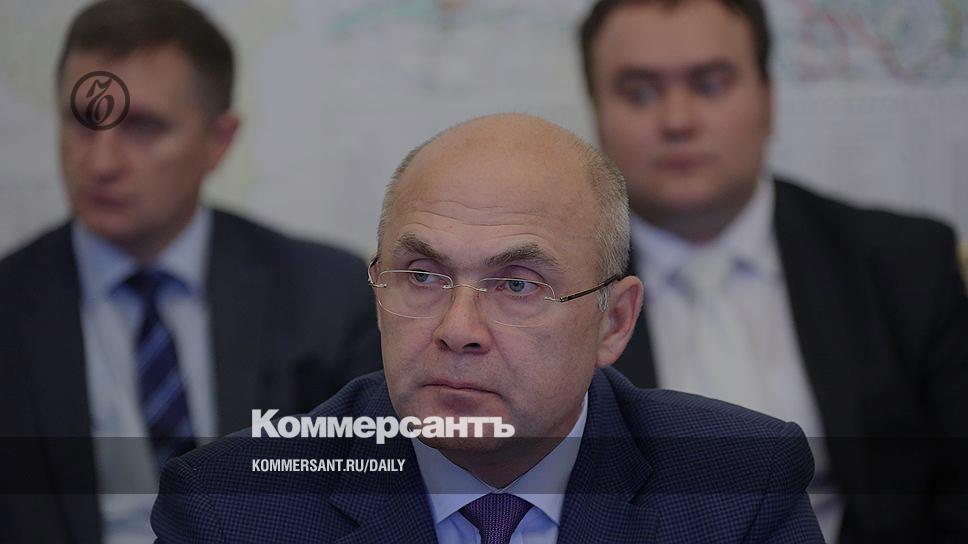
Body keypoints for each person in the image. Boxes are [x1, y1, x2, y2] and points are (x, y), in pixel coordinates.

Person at [151, 113, 823, 543]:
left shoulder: (739, 489)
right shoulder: (231, 510)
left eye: (517, 285)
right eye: (422, 276)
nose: (458, 329)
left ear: (613, 322)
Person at [578, 0, 968, 542]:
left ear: (767, 99)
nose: (677, 121)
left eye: (710, 85)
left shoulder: (905, 265)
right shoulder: (556, 290)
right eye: (639, 93)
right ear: (597, 114)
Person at [0, 1, 380, 542]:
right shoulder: (12, 303)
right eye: (83, 121)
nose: (100, 162)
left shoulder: (326, 297)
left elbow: (370, 497)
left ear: (217, 142)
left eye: (142, 127)